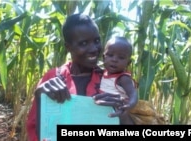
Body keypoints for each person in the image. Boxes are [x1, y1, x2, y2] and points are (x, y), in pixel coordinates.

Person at [26, 13, 134, 141]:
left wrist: (122, 115)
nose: (94, 48)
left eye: (97, 41)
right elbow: (38, 132)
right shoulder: (53, 77)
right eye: (83, 43)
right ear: (68, 47)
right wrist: (41, 99)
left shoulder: (114, 79)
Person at [98, 36, 138, 124]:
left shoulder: (123, 78)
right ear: (104, 57)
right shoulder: (103, 73)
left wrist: (129, 105)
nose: (114, 60)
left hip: (120, 112)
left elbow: (133, 93)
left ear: (128, 63)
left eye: (121, 57)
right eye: (110, 55)